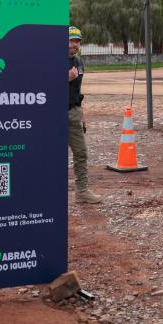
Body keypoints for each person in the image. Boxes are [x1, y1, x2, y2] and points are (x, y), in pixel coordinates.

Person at [68, 26, 102, 204]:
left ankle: (81, 191)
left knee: (81, 152)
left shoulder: (79, 62)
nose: (74, 45)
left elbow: (76, 90)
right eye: (71, 40)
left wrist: (81, 112)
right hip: (51, 115)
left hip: (73, 112)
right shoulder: (51, 59)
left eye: (77, 41)